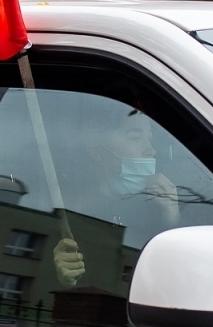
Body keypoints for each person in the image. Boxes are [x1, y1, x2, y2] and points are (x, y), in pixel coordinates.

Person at [52, 106, 180, 287]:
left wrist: (172, 218)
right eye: (135, 138)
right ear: (96, 150)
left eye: (150, 139)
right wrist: (64, 277)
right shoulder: (71, 217)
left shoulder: (158, 209)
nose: (151, 150)